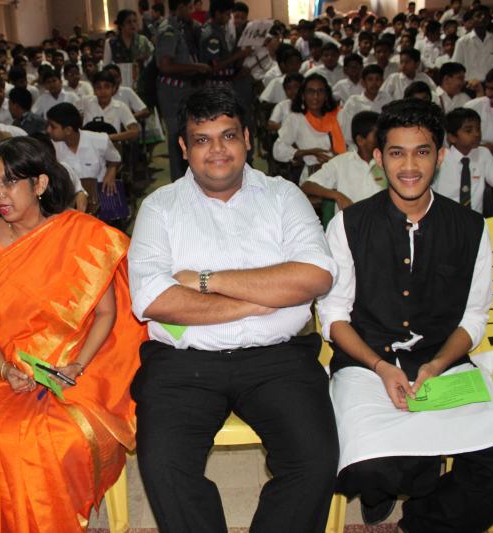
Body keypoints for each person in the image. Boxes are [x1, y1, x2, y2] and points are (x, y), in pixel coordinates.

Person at [318, 98, 493, 532]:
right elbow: (334, 317)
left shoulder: (471, 227)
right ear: (378, 158)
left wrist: (436, 365)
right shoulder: (348, 225)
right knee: (365, 468)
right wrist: (381, 366)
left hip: (443, 362)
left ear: (440, 155)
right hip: (368, 363)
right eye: (396, 153)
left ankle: (424, 522)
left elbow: (473, 317)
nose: (409, 166)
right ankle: (403, 477)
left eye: (422, 152)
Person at [128, 85, 339, 533]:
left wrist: (206, 281)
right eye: (202, 140)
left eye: (228, 136)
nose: (217, 150)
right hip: (182, 363)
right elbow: (153, 299)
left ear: (246, 138)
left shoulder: (283, 196)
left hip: (278, 359)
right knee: (164, 464)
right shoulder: (160, 207)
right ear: (183, 148)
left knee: (315, 460)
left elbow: (316, 276)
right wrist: (260, 297)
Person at [0, 136, 146, 532]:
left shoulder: (81, 235)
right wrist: (6, 369)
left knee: (61, 439)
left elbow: (106, 314)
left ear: (40, 184)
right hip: (10, 368)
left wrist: (77, 365)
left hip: (80, 363)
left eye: (10, 182)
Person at [156, 0, 211, 181]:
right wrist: (195, 67)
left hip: (188, 89)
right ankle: (179, 181)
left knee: (192, 134)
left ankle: (194, 178)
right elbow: (165, 65)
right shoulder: (169, 29)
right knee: (176, 138)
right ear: (180, 7)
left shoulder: (186, 26)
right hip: (173, 91)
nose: (192, 11)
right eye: (189, 8)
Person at [433, 108, 493, 215]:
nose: (476, 134)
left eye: (478, 129)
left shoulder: (483, 154)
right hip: (444, 215)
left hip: (473, 218)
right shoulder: (440, 156)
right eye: (469, 131)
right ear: (452, 137)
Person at [301, 111, 384, 212]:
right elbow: (307, 186)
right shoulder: (341, 162)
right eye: (377, 136)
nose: (383, 139)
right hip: (350, 220)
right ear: (360, 140)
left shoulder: (387, 161)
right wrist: (338, 195)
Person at [46, 102, 121, 212]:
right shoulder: (51, 147)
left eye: (53, 127)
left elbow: (115, 159)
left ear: (68, 130)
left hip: (102, 195)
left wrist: (111, 171)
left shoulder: (100, 140)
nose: (48, 130)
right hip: (71, 200)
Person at [273, 74, 346, 183]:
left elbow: (352, 145)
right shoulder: (296, 119)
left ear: (326, 95)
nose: (315, 96)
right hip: (314, 177)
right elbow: (278, 150)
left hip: (343, 172)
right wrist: (307, 152)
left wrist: (337, 159)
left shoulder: (339, 115)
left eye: (320, 91)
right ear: (303, 95)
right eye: (310, 91)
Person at [337, 65, 390, 146]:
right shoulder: (353, 102)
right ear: (363, 82)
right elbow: (347, 131)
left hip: (382, 144)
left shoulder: (388, 99)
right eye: (370, 79)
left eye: (378, 79)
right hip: (358, 145)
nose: (374, 83)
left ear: (382, 81)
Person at [452, 5, 493, 86]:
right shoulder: (462, 42)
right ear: (472, 20)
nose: (482, 18)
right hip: (469, 85)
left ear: (489, 20)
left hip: (491, 85)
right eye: (478, 16)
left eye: (485, 16)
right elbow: (456, 67)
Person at [80, 71, 139, 143]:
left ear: (113, 88)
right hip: (88, 147)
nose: (103, 91)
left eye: (107, 87)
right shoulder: (86, 102)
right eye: (98, 87)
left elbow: (134, 132)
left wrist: (107, 138)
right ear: (94, 89)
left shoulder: (120, 106)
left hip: (112, 146)